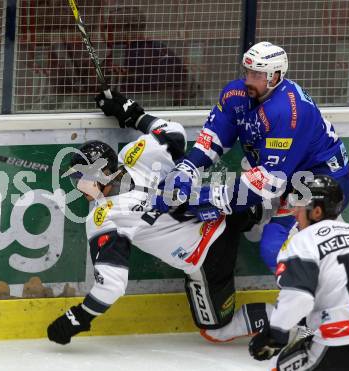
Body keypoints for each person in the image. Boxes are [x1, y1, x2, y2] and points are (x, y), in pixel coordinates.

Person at [46, 91, 271, 345]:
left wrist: (78, 317)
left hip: (208, 255)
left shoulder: (104, 218)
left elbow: (112, 285)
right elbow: (173, 132)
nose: (79, 187)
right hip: (228, 209)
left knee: (216, 330)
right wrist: (135, 115)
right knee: (266, 198)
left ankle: (287, 320)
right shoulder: (137, 154)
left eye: (82, 179)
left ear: (104, 174)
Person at [154, 41, 349, 273]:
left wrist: (203, 197)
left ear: (276, 76)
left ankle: (318, 303)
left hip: (321, 181)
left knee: (274, 247)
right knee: (247, 205)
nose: (248, 79)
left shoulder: (287, 111)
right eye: (247, 72)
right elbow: (213, 137)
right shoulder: (235, 94)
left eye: (257, 74)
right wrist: (187, 168)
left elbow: (270, 181)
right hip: (288, 176)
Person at [248, 174, 349, 370]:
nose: (295, 212)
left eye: (300, 205)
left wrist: (274, 335)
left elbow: (300, 297)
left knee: (277, 365)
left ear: (317, 212)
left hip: (340, 339)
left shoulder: (303, 241)